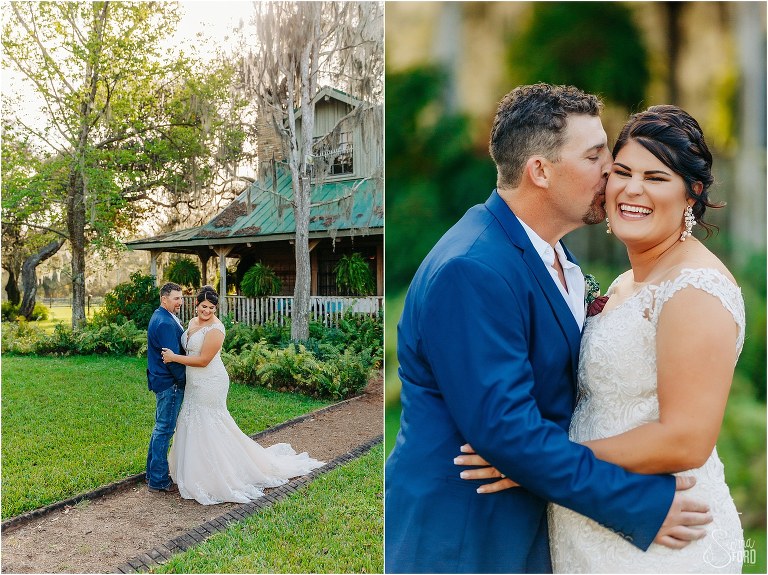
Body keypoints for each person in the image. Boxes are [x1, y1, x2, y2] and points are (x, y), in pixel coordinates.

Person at [384, 84, 713, 574]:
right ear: (541, 170)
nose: (612, 170)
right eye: (596, 155)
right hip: (466, 540)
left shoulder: (549, 253)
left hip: (531, 531)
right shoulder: (472, 268)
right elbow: (508, 434)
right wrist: (640, 503)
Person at [458, 105, 745, 572]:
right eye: (623, 172)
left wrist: (537, 462)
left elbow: (685, 439)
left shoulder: (695, 289)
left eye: (656, 177)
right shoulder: (624, 285)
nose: (633, 189)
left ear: (692, 193)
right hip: (591, 528)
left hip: (661, 537)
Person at [160, 285, 324, 505]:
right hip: (193, 384)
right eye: (203, 306)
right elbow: (188, 348)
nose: (206, 311)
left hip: (211, 381)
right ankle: (193, 472)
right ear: (196, 305)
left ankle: (219, 475)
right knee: (191, 422)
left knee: (209, 424)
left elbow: (203, 360)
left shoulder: (216, 329)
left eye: (211, 307)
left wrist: (173, 358)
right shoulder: (191, 323)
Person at [146, 282, 186, 494]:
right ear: (164, 299)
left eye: (181, 298)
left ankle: (152, 473)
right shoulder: (164, 323)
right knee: (164, 429)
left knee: (159, 428)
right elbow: (172, 360)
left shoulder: (162, 316)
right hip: (169, 383)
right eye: (176, 298)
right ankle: (159, 480)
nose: (180, 302)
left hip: (161, 380)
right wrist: (183, 382)